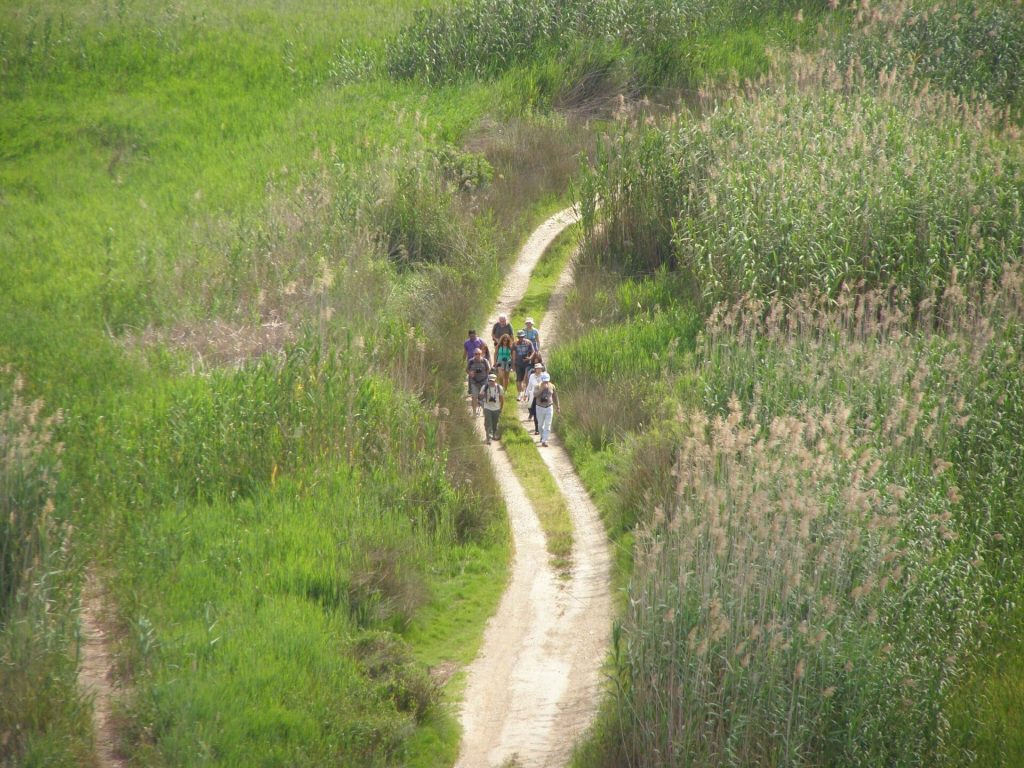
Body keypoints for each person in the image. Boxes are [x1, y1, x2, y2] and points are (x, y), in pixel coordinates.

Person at [531, 372, 559, 447]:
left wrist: (558, 407)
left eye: (547, 381)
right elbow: (535, 395)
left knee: (548, 424)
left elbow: (555, 397)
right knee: (540, 424)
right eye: (544, 381)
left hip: (549, 407)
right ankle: (543, 436)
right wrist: (541, 389)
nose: (546, 382)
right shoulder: (537, 386)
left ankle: (545, 440)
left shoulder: (552, 386)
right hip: (540, 407)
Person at [478, 372, 505, 445]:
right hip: (487, 407)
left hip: (496, 408)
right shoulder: (484, 387)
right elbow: (480, 397)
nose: (491, 382)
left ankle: (493, 435)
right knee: (488, 422)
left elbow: (502, 399)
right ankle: (489, 438)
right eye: (490, 381)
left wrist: (501, 408)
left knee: (495, 423)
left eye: (493, 381)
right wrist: (482, 395)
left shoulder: (499, 388)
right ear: (488, 380)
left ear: (495, 381)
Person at [466, 348, 491, 416]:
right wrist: (470, 373)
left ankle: (484, 412)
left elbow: (488, 369)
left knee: (484, 397)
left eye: (479, 354)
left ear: (481, 354)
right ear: (474, 354)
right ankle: (474, 413)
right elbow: (467, 370)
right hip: (474, 382)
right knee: (474, 397)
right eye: (476, 354)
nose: (477, 355)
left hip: (483, 381)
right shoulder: (471, 361)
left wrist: (486, 377)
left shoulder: (484, 361)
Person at [512, 330, 536, 399]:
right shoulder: (515, 344)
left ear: (524, 336)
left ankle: (526, 393)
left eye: (522, 337)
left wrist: (530, 358)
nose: (521, 338)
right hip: (518, 364)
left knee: (526, 378)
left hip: (527, 364)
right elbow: (513, 354)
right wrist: (513, 365)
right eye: (519, 337)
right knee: (518, 379)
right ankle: (519, 394)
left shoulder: (528, 342)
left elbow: (533, 351)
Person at [524, 362, 544, 435]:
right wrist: (526, 394)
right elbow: (529, 385)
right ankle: (537, 428)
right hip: (533, 396)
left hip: (541, 397)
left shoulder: (544, 376)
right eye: (537, 369)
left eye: (540, 368)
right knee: (533, 411)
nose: (539, 370)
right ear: (535, 369)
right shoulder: (532, 376)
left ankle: (539, 428)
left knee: (539, 413)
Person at [464, 329, 486, 396]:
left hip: (479, 361)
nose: (472, 337)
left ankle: (480, 390)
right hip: (471, 361)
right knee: (471, 375)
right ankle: (471, 390)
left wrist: (482, 357)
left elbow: (484, 348)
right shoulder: (466, 343)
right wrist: (463, 360)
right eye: (470, 336)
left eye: (473, 336)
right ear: (469, 336)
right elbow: (465, 352)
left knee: (479, 374)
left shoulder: (480, 341)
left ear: (475, 335)